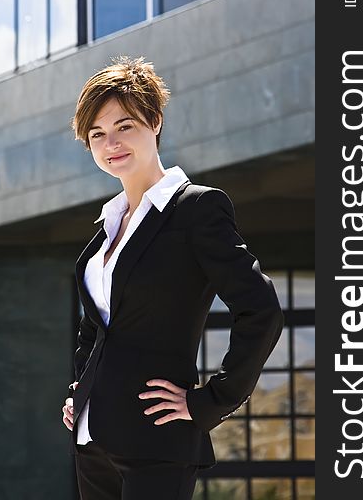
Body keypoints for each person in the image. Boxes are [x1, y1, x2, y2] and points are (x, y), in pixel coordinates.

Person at [62, 55, 284, 500]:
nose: (112, 143)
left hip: (157, 441)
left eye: (124, 126)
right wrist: (80, 389)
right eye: (97, 135)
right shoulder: (107, 227)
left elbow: (261, 310)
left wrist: (211, 401)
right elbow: (96, 325)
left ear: (155, 121)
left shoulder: (196, 209)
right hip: (92, 441)